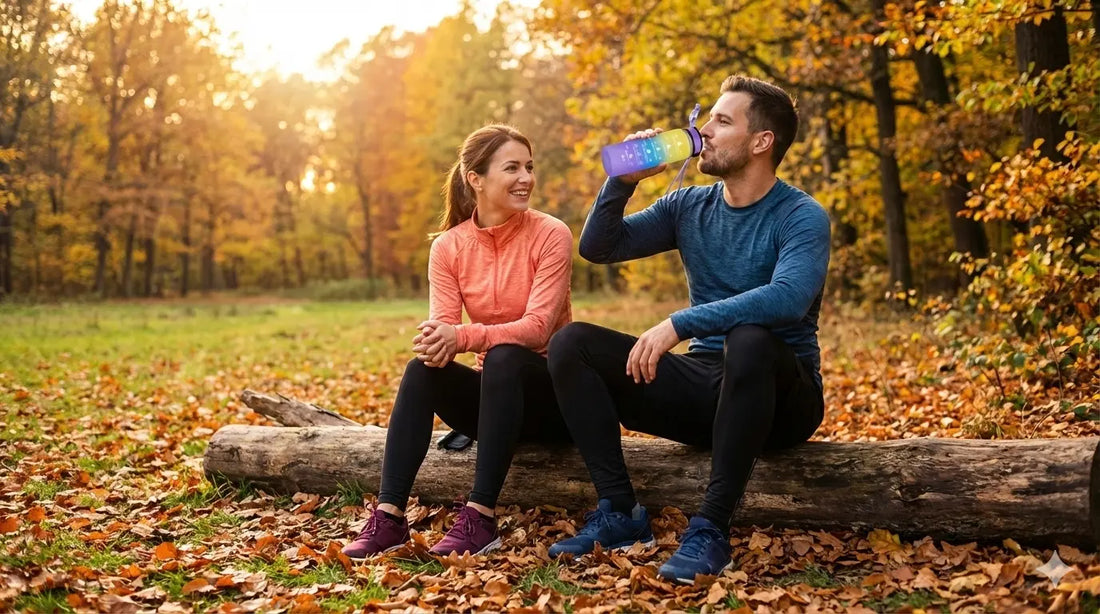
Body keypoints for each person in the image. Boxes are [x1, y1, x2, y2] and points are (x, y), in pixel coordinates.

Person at [545, 75, 831, 584]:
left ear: (761, 141)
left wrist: (679, 323)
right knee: (573, 343)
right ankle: (619, 513)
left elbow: (788, 299)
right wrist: (623, 180)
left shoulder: (801, 215)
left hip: (783, 398)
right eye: (707, 118)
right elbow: (599, 248)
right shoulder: (688, 206)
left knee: (749, 338)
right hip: (707, 388)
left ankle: (711, 529)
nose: (704, 131)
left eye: (722, 121)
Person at [342, 124, 574, 558]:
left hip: (554, 401)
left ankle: (480, 518)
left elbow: (539, 328)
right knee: (420, 370)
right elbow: (444, 330)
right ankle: (389, 517)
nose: (526, 177)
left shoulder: (550, 234)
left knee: (504, 356)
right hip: (495, 406)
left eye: (529, 167)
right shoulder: (449, 247)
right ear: (476, 179)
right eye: (512, 168)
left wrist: (463, 336)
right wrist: (435, 342)